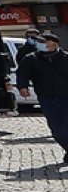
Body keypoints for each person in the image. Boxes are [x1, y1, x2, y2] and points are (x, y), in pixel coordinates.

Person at [15, 32, 68, 165]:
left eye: (43, 42)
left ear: (54, 44)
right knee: (57, 131)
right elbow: (22, 74)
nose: (40, 44)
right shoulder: (31, 59)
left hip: (66, 96)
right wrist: (23, 87)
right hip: (47, 98)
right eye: (39, 42)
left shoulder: (66, 58)